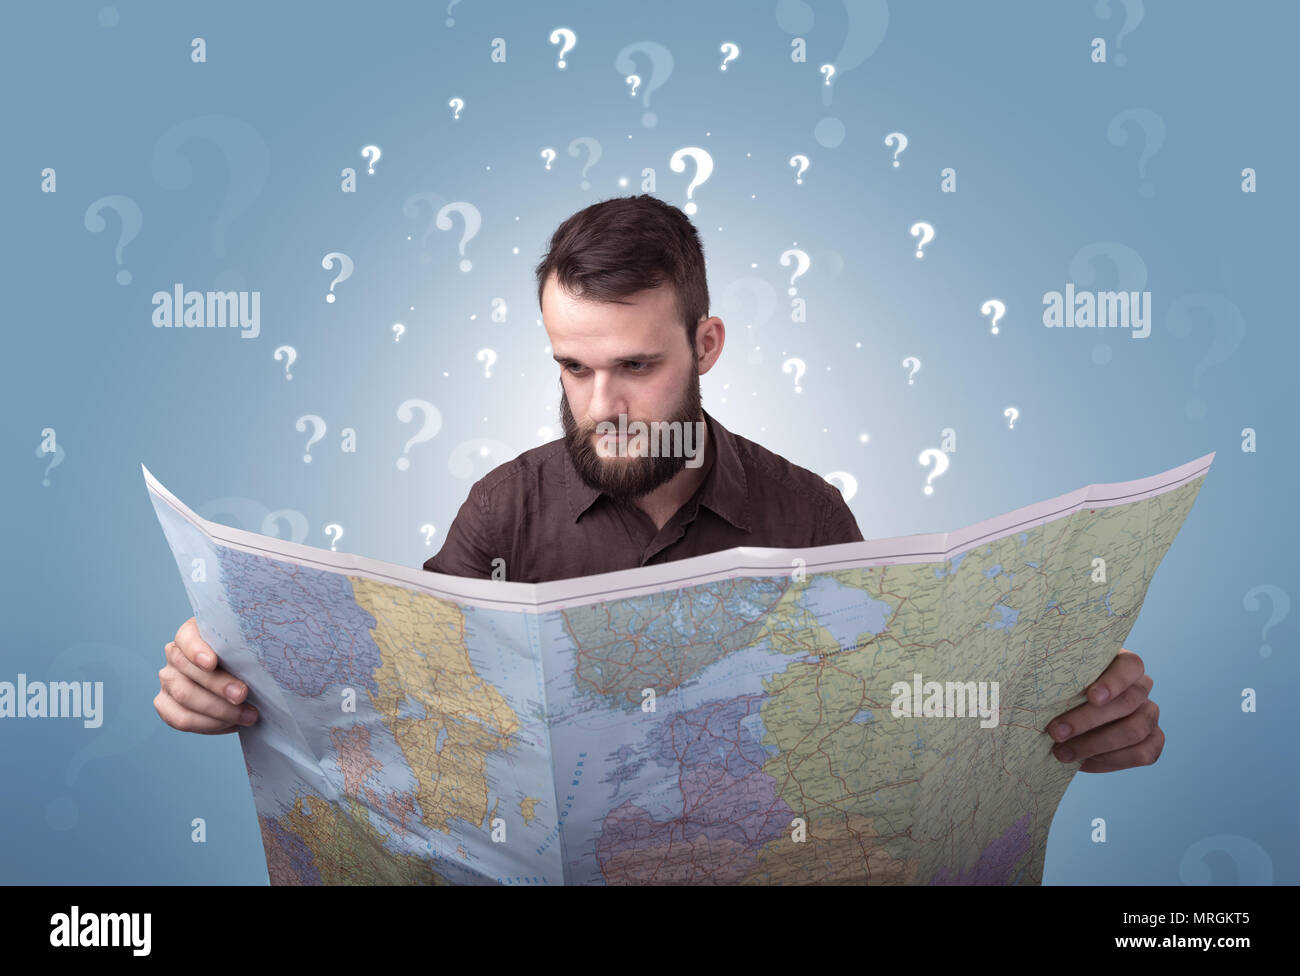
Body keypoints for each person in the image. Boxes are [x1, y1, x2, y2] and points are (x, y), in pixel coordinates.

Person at [155, 194, 1163, 776]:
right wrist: (231, 676)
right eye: (572, 367)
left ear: (706, 344)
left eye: (636, 366)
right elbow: (391, 703)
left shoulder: (805, 513)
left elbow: (886, 719)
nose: (602, 404)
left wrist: (1063, 698)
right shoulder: (501, 510)